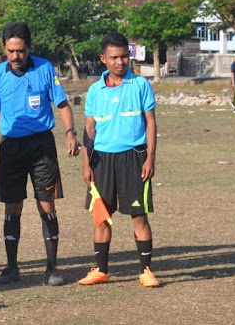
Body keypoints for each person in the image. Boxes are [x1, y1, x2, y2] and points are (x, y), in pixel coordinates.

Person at [0, 22, 80, 286]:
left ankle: (52, 269)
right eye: (10, 51)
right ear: (4, 49)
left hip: (41, 146)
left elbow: (62, 104)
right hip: (10, 147)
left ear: (29, 48)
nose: (15, 56)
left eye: (20, 51)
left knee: (46, 204)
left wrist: (70, 132)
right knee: (12, 207)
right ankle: (12, 267)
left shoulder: (45, 68)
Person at [78, 32, 159, 287]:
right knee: (101, 216)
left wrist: (150, 158)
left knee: (139, 216)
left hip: (134, 158)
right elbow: (89, 129)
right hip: (101, 161)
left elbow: (150, 123)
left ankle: (145, 270)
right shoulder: (94, 91)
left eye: (124, 56)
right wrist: (86, 163)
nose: (120, 61)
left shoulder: (140, 85)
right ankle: (101, 270)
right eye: (114, 57)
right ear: (104, 59)